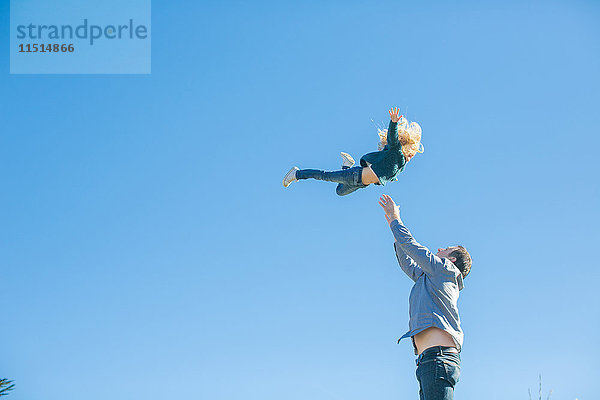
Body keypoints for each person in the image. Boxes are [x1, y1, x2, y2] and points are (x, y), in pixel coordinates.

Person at [378, 194, 472, 400]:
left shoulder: (446, 270)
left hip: (439, 358)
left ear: (452, 258)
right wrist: (396, 233)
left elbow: (412, 246)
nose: (439, 249)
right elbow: (407, 263)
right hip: (428, 360)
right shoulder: (429, 277)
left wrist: (396, 218)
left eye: (446, 249)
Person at [282, 107, 423, 196]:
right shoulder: (396, 152)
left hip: (360, 183)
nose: (411, 156)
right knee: (324, 176)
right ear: (405, 148)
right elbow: (393, 139)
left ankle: (347, 164)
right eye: (411, 153)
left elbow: (389, 175)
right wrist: (393, 122)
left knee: (339, 192)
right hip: (355, 174)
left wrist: (392, 178)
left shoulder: (400, 166)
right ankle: (297, 173)